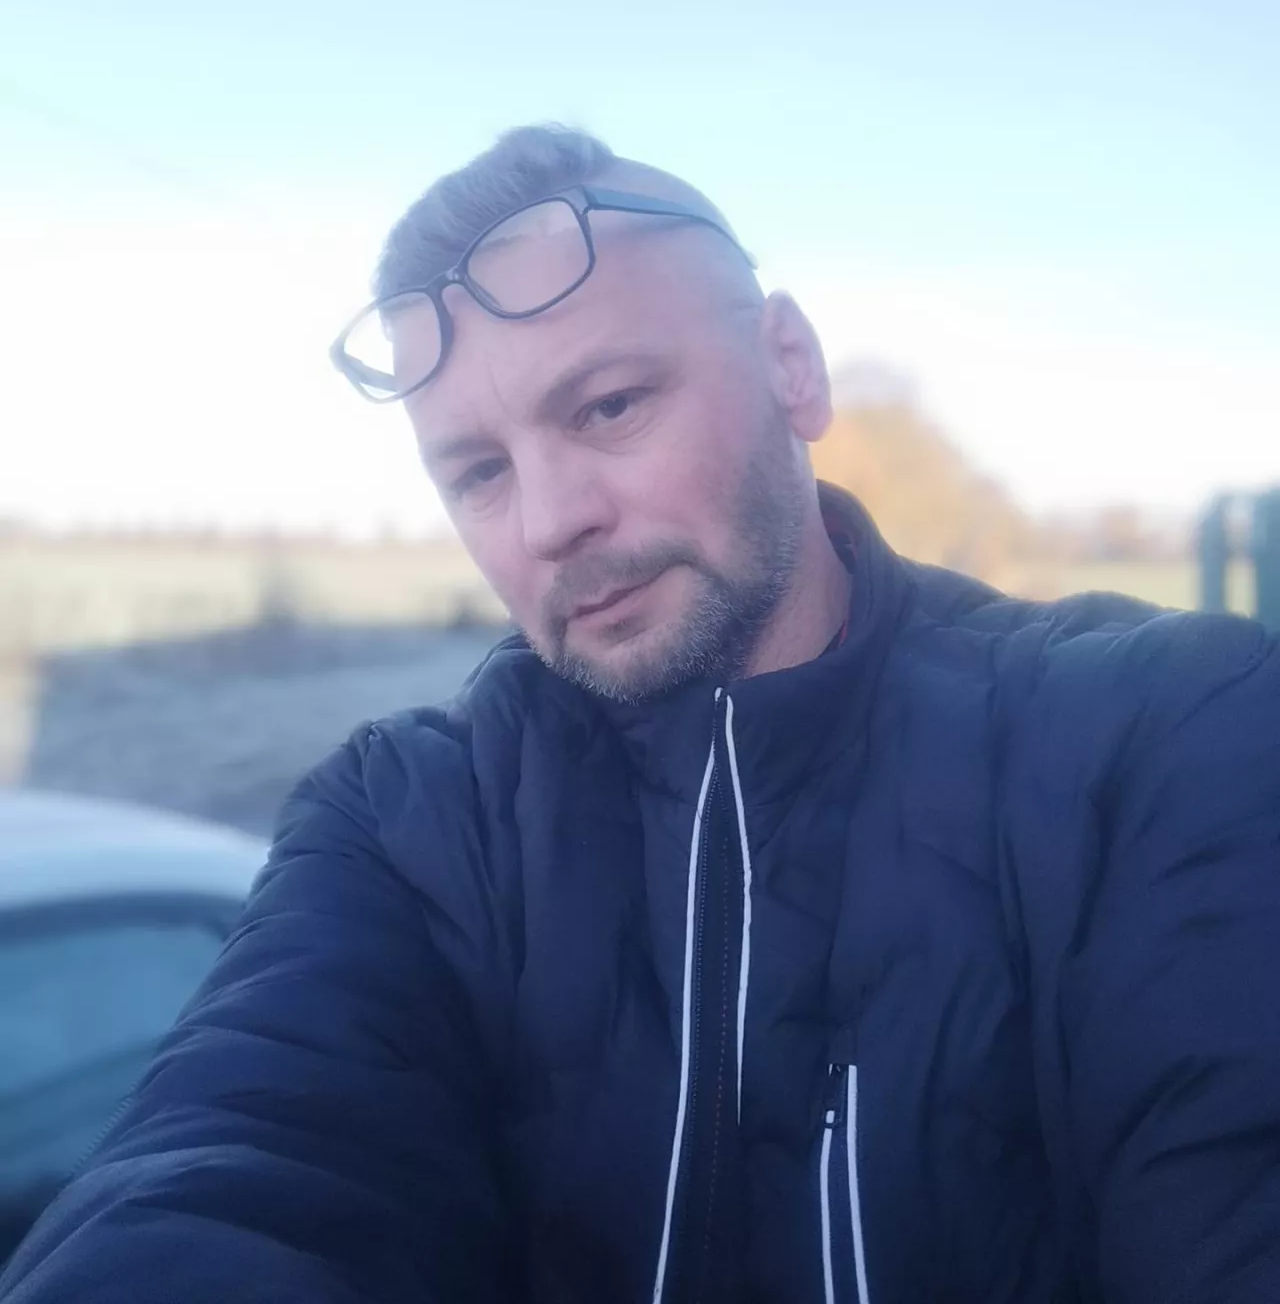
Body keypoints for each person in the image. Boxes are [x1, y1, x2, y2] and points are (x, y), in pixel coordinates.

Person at [4, 125, 1278, 1304]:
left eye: (608, 405)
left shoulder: (1153, 735)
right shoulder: (402, 823)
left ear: (789, 368)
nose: (549, 519)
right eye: (479, 471)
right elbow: (232, 1163)